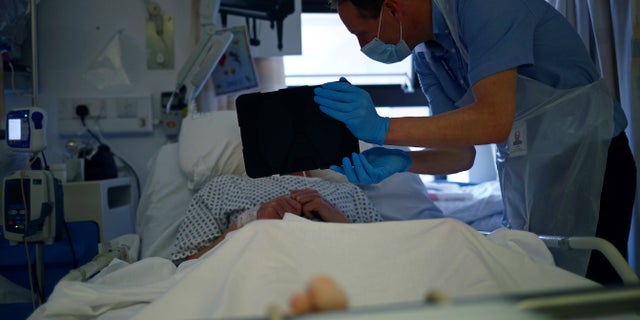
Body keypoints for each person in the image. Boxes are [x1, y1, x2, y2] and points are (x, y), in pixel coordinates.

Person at [313, 0, 636, 283]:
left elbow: (494, 120)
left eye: (361, 34)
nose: (361, 47)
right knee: (545, 281)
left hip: (592, 159)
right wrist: (406, 162)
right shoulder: (429, 56)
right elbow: (460, 155)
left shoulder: (485, 7)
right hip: (529, 173)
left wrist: (383, 128)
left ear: (392, 8)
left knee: (593, 288)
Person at [170, 173, 384, 263]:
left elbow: (385, 256)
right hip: (250, 272)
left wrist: (339, 222)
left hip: (333, 276)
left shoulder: (348, 193)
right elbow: (185, 268)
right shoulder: (222, 188)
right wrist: (248, 222)